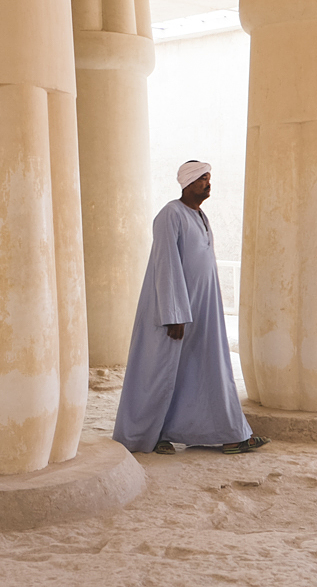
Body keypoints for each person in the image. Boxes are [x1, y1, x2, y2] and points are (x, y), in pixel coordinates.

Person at [113, 160, 270, 455]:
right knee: (159, 371)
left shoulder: (200, 216)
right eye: (202, 179)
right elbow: (166, 266)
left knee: (203, 370)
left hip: (203, 310)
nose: (208, 184)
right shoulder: (170, 215)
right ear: (187, 183)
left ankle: (228, 434)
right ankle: (146, 435)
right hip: (172, 313)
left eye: (209, 179)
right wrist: (174, 315)